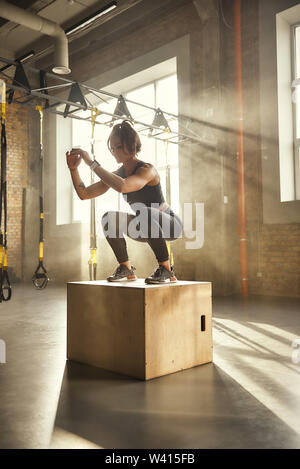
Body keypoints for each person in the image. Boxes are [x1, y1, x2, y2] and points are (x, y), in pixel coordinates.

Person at [66, 120, 182, 284]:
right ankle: (126, 268)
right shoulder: (117, 173)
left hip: (170, 225)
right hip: (144, 226)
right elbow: (84, 194)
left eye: (118, 147)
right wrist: (74, 169)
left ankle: (166, 269)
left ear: (132, 145)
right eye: (112, 148)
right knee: (108, 218)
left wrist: (91, 163)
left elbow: (123, 186)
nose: (114, 152)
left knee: (145, 211)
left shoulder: (147, 169)